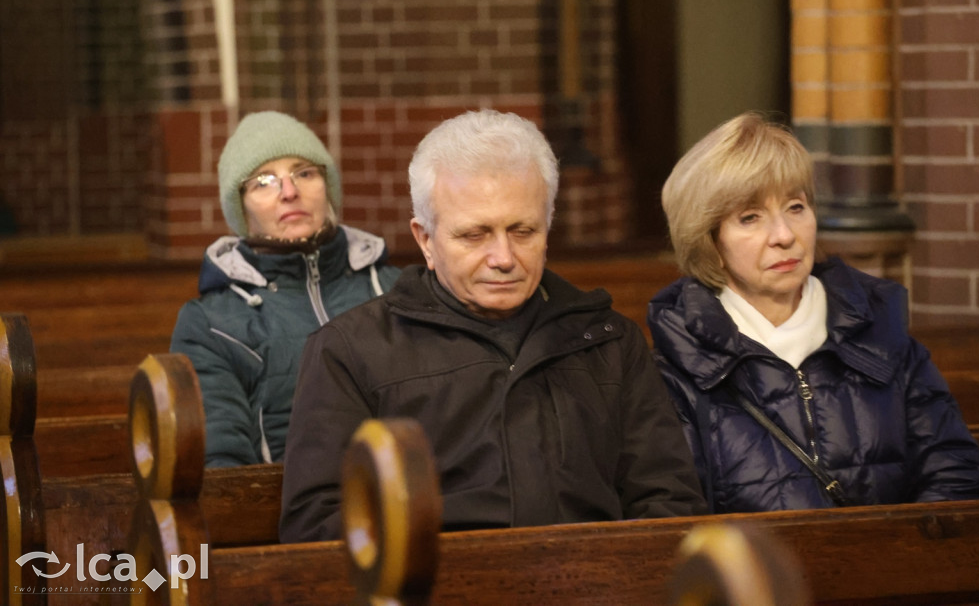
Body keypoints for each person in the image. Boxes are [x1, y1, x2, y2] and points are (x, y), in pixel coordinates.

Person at [279, 109, 707, 542]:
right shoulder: (350, 352)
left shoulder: (610, 343)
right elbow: (318, 529)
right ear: (425, 239)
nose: (503, 258)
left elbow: (669, 504)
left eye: (523, 231)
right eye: (474, 235)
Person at [647, 112, 979, 513]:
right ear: (709, 242)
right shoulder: (678, 370)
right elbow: (677, 521)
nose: (784, 236)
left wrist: (901, 562)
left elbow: (955, 476)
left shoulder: (882, 335)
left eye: (796, 207)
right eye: (750, 218)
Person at [170, 111, 401, 467]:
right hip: (290, 515)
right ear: (241, 209)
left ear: (328, 187)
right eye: (264, 181)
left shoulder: (397, 290)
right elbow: (222, 464)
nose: (289, 192)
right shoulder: (211, 323)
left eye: (304, 173)